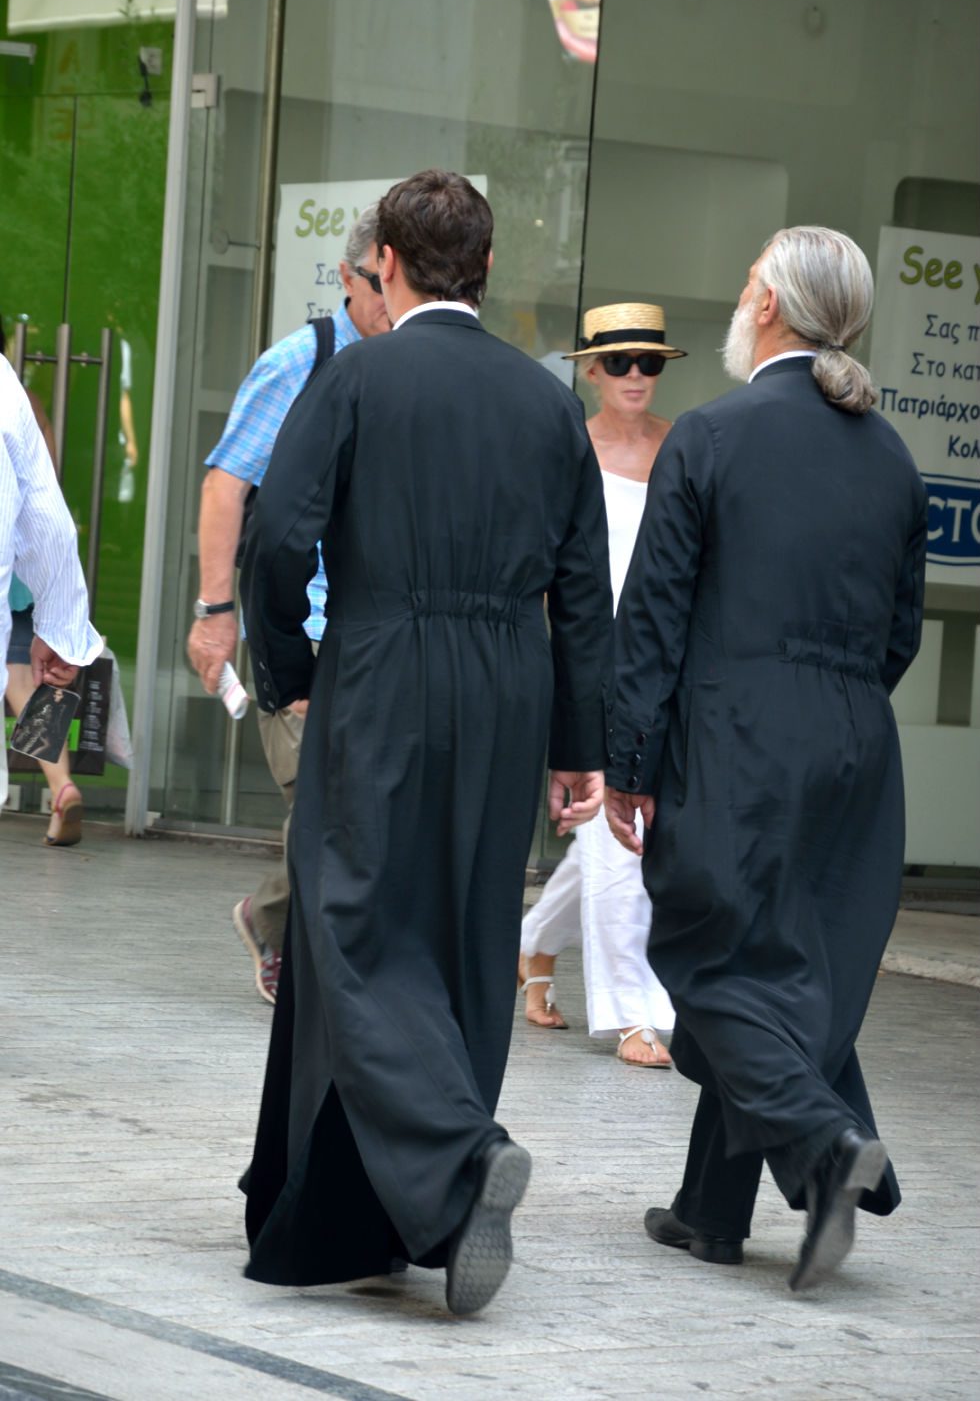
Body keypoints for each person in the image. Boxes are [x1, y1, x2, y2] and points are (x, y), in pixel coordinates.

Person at [239, 168, 613, 1315]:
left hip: (382, 666)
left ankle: (459, 1157)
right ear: (486, 268)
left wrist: (290, 670)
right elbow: (583, 589)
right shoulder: (548, 404)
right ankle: (374, 1214)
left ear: (388, 264)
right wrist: (577, 742)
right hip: (507, 684)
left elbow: (276, 537)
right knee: (459, 936)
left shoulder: (356, 376)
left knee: (349, 923)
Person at [604, 226, 927, 1293]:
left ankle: (827, 1148)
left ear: (773, 308)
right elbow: (900, 633)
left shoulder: (711, 434)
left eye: (748, 284)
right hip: (854, 747)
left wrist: (629, 762)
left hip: (734, 738)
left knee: (712, 958)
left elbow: (652, 618)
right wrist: (834, 709)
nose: (740, 301)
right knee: (785, 970)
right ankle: (710, 1212)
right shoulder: (891, 457)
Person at [186, 206, 390, 1004]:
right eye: (378, 283)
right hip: (298, 626)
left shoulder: (408, 366)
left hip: (377, 632)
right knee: (326, 804)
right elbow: (225, 486)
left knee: (356, 806)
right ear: (346, 278)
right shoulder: (299, 363)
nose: (392, 300)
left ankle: (270, 915)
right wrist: (214, 612)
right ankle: (301, 952)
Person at [518, 303, 684, 1066]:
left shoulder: (683, 447)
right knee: (621, 838)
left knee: (614, 830)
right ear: (590, 370)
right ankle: (633, 1013)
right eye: (619, 362)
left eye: (649, 362)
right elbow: (547, 563)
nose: (635, 375)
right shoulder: (568, 447)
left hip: (662, 656)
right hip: (586, 656)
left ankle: (532, 944)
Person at [1, 353, 102, 812]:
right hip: (22, 564)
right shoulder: (19, 398)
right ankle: (61, 783)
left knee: (18, 677)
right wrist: (63, 628)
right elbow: (44, 497)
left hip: (17, 565)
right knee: (29, 680)